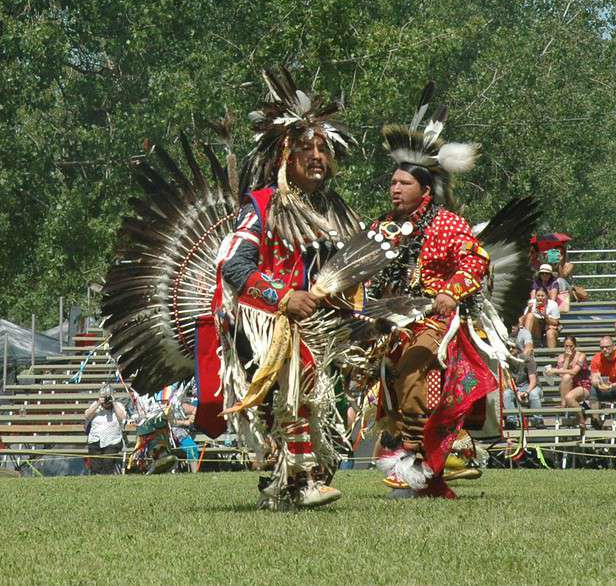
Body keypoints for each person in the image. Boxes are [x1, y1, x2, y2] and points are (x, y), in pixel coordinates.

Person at [212, 69, 360, 510]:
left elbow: (348, 269)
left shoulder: (337, 211)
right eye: (305, 148)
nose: (317, 156)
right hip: (266, 318)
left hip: (322, 321)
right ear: (284, 156)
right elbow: (232, 264)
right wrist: (282, 297)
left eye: (323, 149)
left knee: (322, 389)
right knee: (301, 371)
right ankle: (301, 476)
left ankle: (286, 483)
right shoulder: (261, 205)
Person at [368, 90, 502, 501]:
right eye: (392, 181)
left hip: (433, 321)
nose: (394, 188)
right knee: (391, 389)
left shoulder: (446, 224)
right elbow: (363, 267)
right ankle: (424, 470)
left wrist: (450, 291)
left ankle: (412, 458)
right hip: (391, 322)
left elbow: (475, 260)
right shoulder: (383, 226)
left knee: (413, 371)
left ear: (423, 188)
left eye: (403, 182)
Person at [83, 385, 129, 474]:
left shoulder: (118, 406)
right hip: (95, 440)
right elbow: (87, 415)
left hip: (113, 441)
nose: (106, 401)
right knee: (95, 467)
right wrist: (98, 403)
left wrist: (114, 403)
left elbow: (123, 418)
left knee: (108, 464)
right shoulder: (96, 405)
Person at [545, 335, 591, 418]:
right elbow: (562, 375)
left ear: (575, 345)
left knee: (567, 376)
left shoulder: (581, 356)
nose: (569, 348)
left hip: (582, 386)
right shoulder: (561, 357)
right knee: (566, 377)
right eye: (566, 346)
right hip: (568, 385)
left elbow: (574, 372)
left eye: (571, 346)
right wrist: (567, 359)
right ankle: (564, 403)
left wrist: (555, 370)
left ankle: (568, 407)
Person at [502, 333, 542, 422]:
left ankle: (538, 419)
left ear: (518, 348)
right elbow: (509, 379)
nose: (511, 349)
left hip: (532, 386)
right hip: (516, 387)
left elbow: (533, 381)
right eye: (508, 347)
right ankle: (511, 420)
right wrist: (517, 392)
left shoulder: (527, 360)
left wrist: (526, 392)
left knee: (533, 394)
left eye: (513, 347)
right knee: (506, 394)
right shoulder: (506, 362)